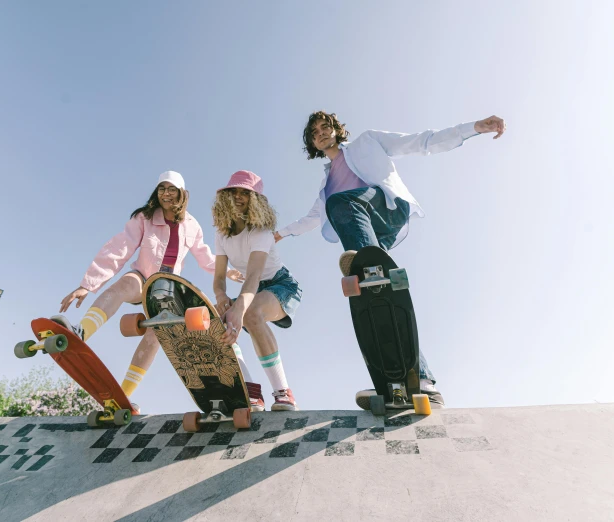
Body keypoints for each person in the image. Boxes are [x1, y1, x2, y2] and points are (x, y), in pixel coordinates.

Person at [274, 112, 506, 409]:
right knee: (381, 304)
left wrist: (472, 128)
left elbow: (421, 142)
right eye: (314, 132)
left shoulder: (367, 142)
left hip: (386, 210)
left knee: (342, 203)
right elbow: (310, 219)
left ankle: (363, 262)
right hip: (366, 235)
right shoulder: (326, 186)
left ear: (336, 130)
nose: (321, 133)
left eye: (325, 127)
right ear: (312, 143)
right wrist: (278, 235)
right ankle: (416, 382)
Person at [54, 171, 243, 412]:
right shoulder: (144, 218)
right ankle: (82, 333)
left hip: (167, 289)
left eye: (171, 189)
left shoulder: (192, 226)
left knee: (157, 333)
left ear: (182, 194)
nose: (166, 193)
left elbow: (205, 257)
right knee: (124, 285)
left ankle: (123, 397)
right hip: (143, 277)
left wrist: (227, 271)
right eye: (161, 188)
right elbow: (119, 248)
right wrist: (87, 285)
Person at [212, 170, 303, 412]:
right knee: (214, 320)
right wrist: (221, 298)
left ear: (256, 200)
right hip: (250, 289)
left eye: (245, 193)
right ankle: (249, 390)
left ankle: (283, 392)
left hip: (281, 285)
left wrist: (239, 309)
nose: (239, 197)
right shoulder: (222, 233)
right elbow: (219, 277)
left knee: (250, 313)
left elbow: (253, 276)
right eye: (234, 192)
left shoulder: (260, 231)